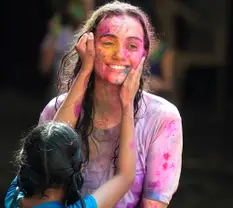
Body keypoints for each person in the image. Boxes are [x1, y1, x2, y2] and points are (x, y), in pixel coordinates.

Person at [38, 1, 182, 207]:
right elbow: (45, 180)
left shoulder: (162, 117)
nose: (120, 54)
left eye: (132, 46)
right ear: (89, 46)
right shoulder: (55, 109)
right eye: (108, 42)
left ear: (145, 54)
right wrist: (85, 72)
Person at [5, 30, 140, 207]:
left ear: (26, 161)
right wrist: (127, 103)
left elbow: (52, 141)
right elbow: (125, 177)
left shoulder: (13, 197)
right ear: (79, 168)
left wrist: (85, 70)